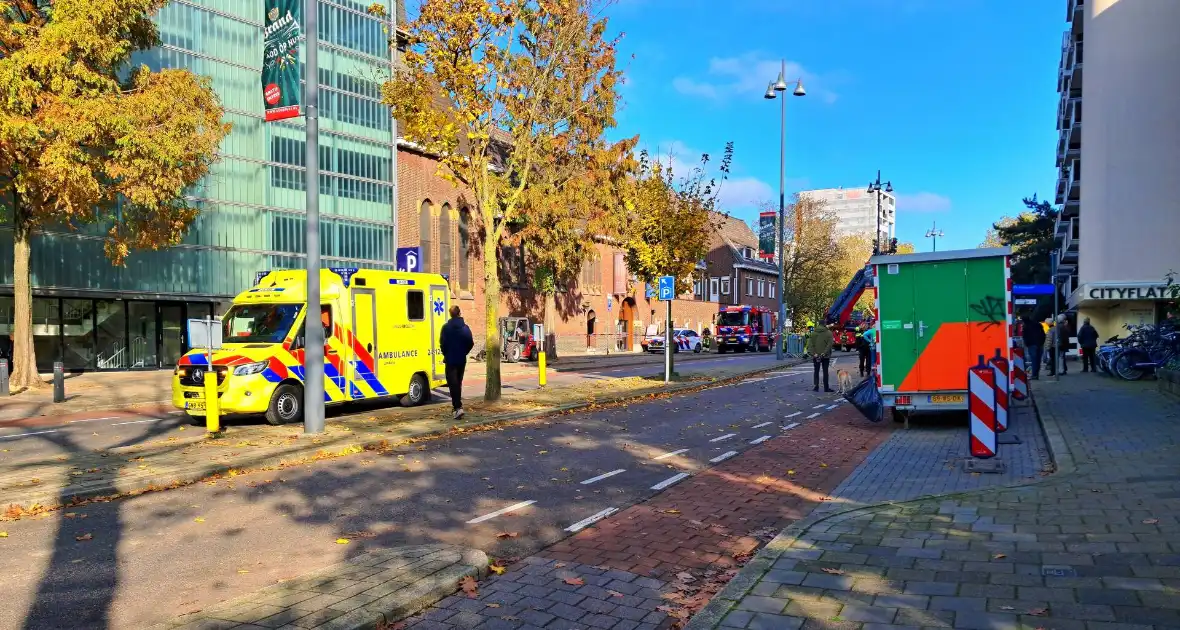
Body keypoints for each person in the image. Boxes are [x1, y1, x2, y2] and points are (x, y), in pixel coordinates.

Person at [439, 305, 474, 420]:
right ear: (459, 313)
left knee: (452, 384)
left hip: (450, 360)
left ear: (450, 314)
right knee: (458, 383)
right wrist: (464, 352)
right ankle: (458, 407)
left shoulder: (445, 328)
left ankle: (457, 407)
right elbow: (470, 342)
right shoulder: (465, 328)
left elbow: (442, 344)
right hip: (461, 360)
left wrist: (446, 353)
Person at [805, 322, 835, 392]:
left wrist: (814, 353)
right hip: (825, 356)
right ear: (824, 324)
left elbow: (810, 345)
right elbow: (830, 344)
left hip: (816, 355)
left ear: (818, 325)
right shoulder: (829, 333)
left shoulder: (813, 333)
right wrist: (824, 353)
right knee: (825, 371)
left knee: (816, 371)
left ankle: (816, 387)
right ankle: (826, 387)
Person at [1021, 315, 1046, 379]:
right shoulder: (1038, 324)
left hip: (1032, 345)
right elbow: (1043, 334)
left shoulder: (1025, 326)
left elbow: (1025, 336)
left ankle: (1034, 375)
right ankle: (1036, 374)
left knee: (1034, 360)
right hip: (1040, 344)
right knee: (1038, 360)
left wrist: (1027, 344)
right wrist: (1042, 342)